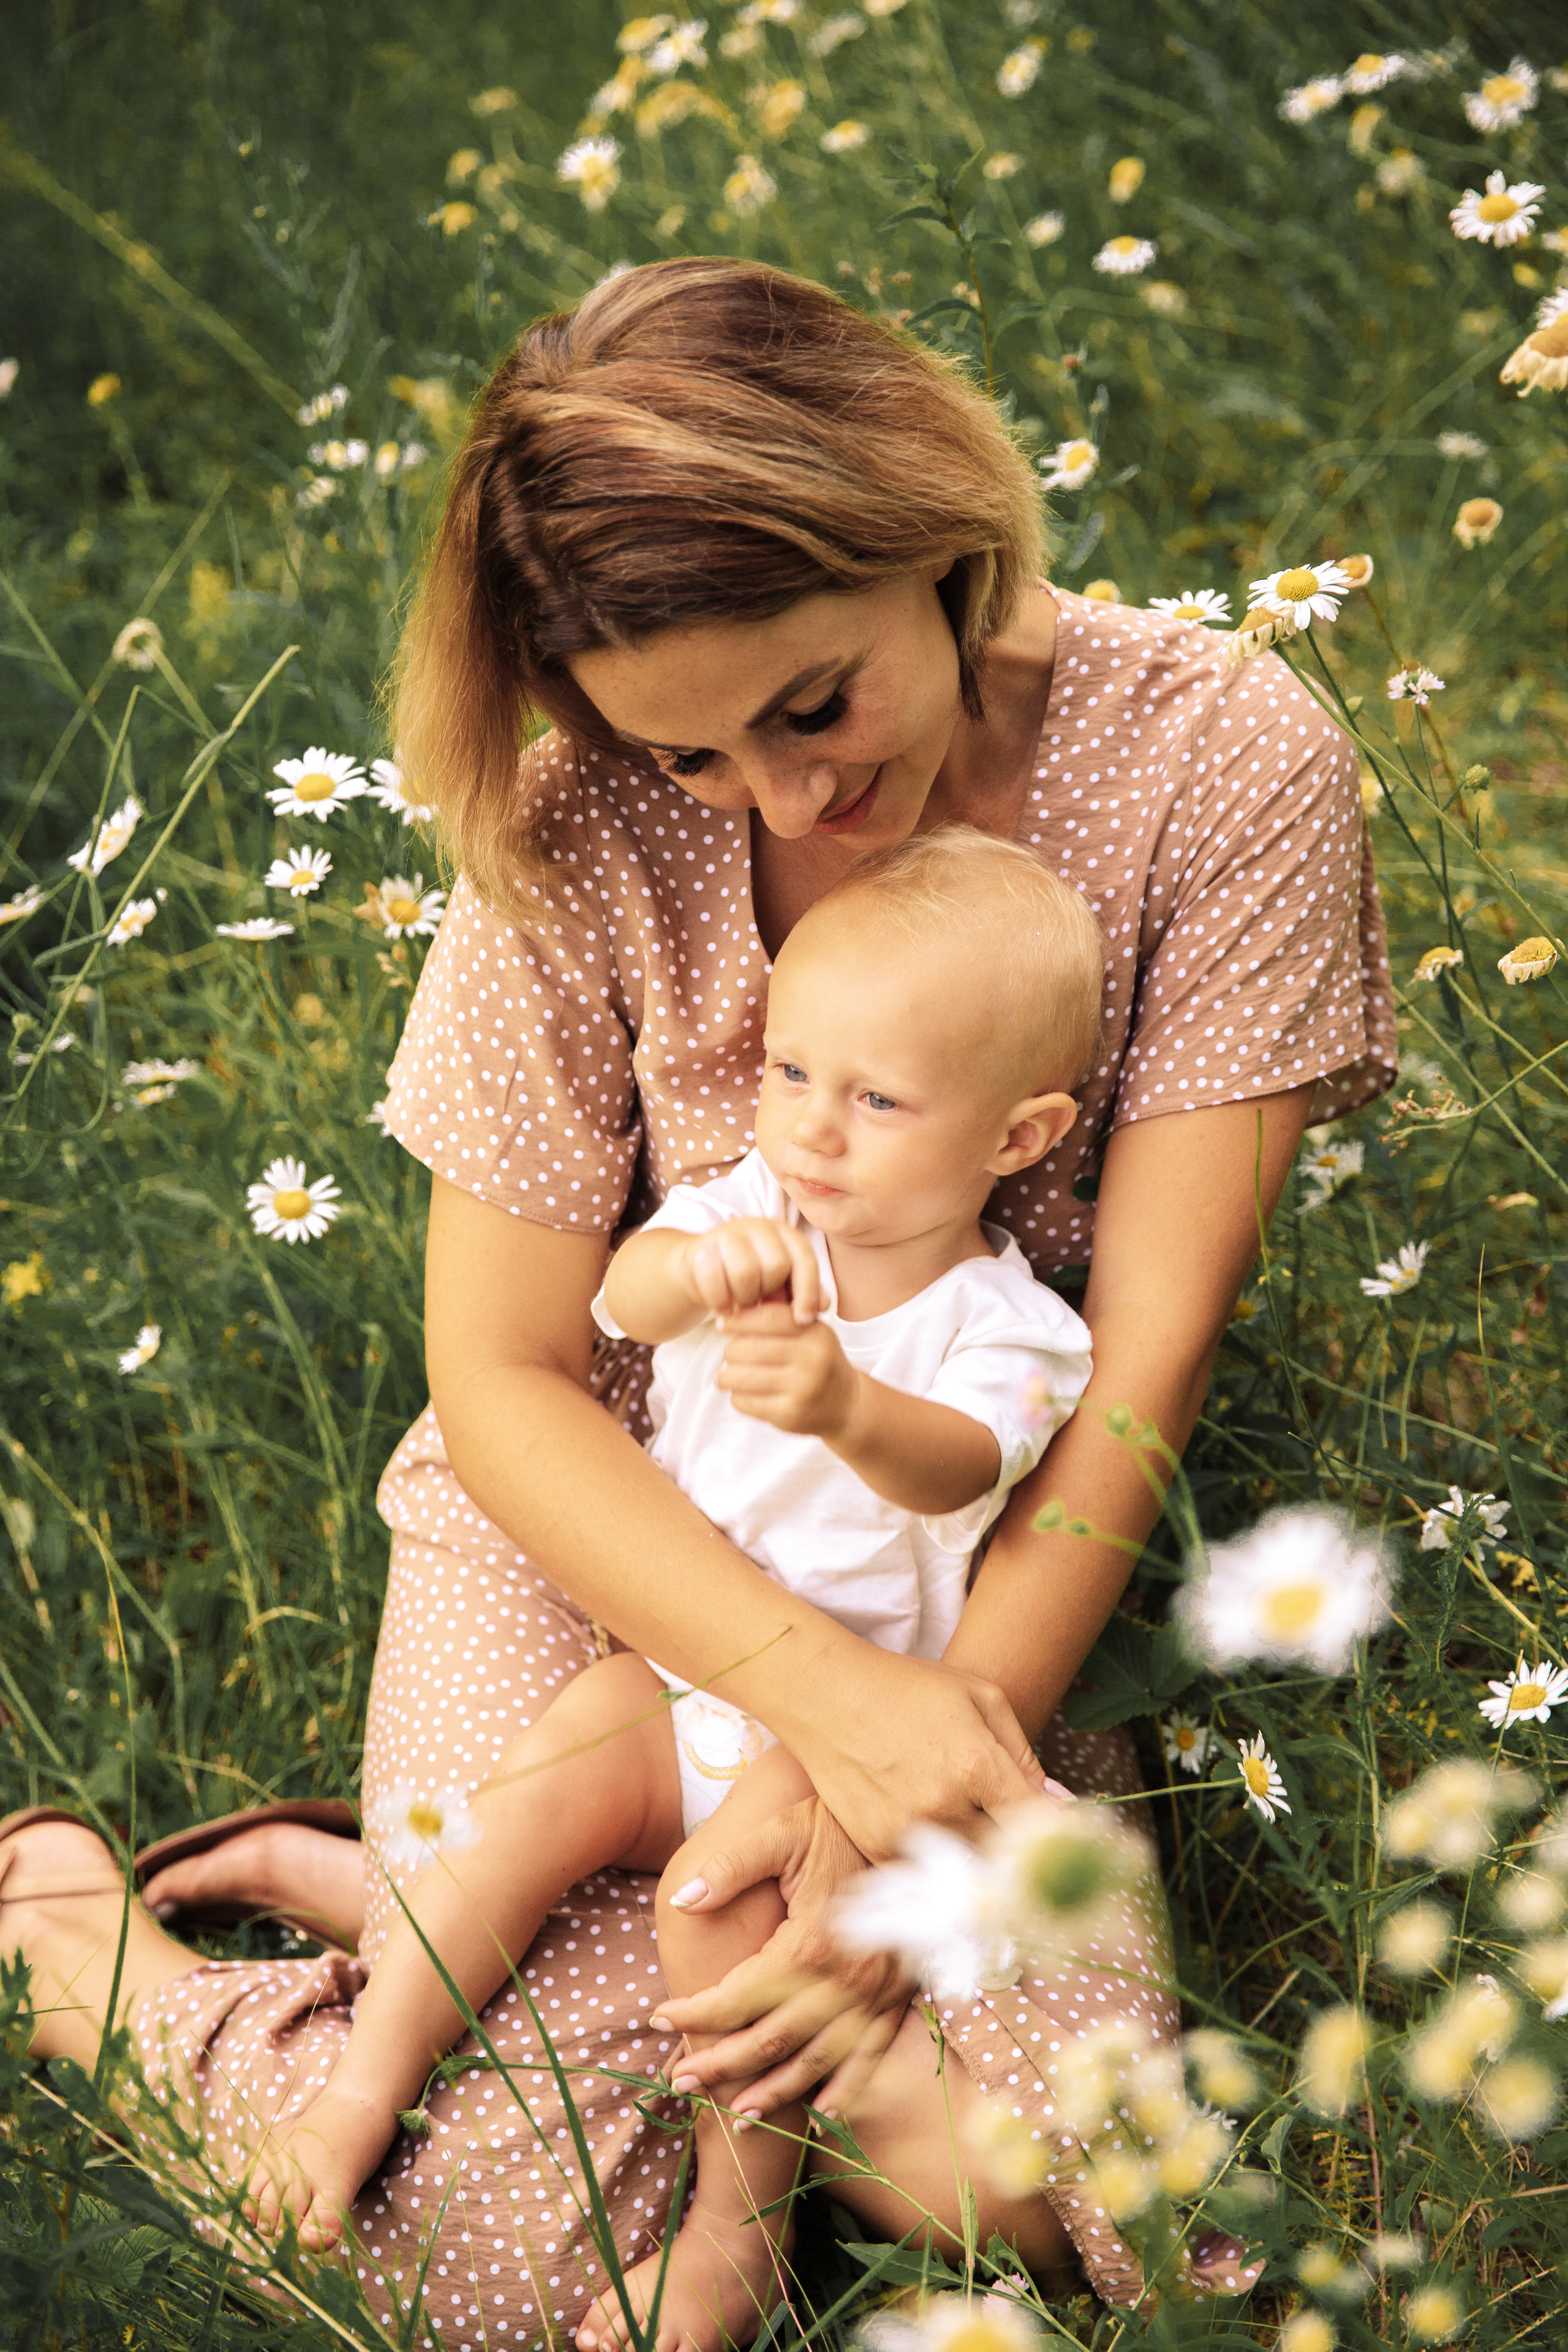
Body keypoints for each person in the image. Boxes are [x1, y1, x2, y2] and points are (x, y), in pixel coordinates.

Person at [1, 257, 1395, 2338]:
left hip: (973, 1555)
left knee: (1052, 2191)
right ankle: (87, 1962)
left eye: (814, 704)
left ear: (928, 526)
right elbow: (504, 1371)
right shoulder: (573, 821)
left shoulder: (1218, 755)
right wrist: (814, 1709)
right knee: (503, 2246)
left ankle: (418, 1897)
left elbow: (1144, 1365)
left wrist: (898, 1751)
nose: (787, 799)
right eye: (694, 757)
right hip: (604, 1523)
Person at [241, 828, 1102, 2347]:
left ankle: (731, 2235)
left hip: (841, 1737)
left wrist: (845, 1406)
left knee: (723, 1932)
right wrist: (686, 1273)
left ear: (1016, 1138)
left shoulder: (1006, 1323)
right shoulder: (749, 1205)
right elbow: (617, 1296)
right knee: (528, 1809)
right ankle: (362, 2083)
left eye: (875, 1100)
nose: (812, 1128)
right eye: (788, 1073)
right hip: (676, 1664)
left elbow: (964, 1465)